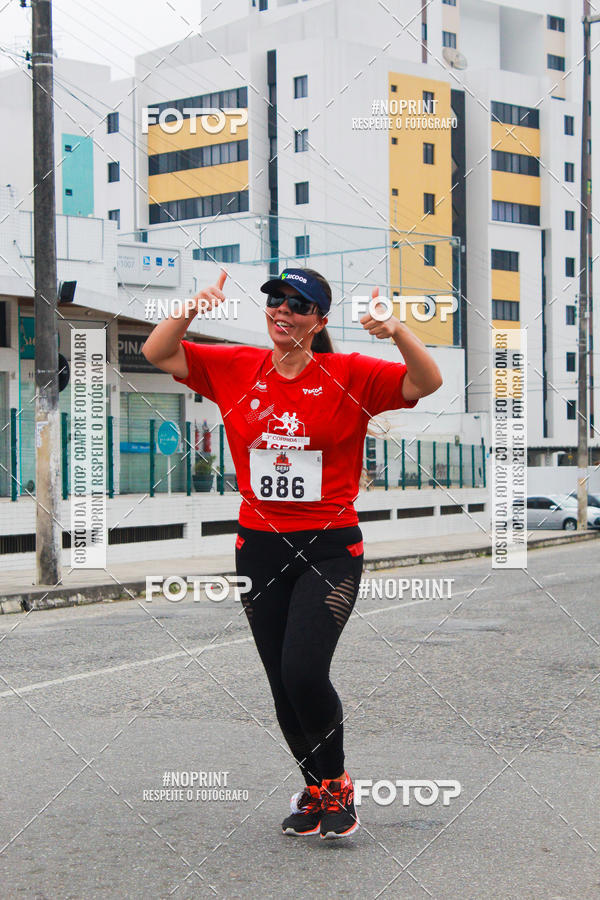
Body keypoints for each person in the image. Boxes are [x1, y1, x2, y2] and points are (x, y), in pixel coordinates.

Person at [142, 266, 442, 839]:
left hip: (330, 549)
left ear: (319, 321)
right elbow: (161, 352)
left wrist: (399, 331)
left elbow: (424, 383)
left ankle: (338, 784)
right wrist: (193, 308)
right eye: (275, 300)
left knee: (305, 672)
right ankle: (315, 791)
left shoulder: (348, 374)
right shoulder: (235, 368)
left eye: (298, 305)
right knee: (281, 682)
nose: (283, 310)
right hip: (258, 548)